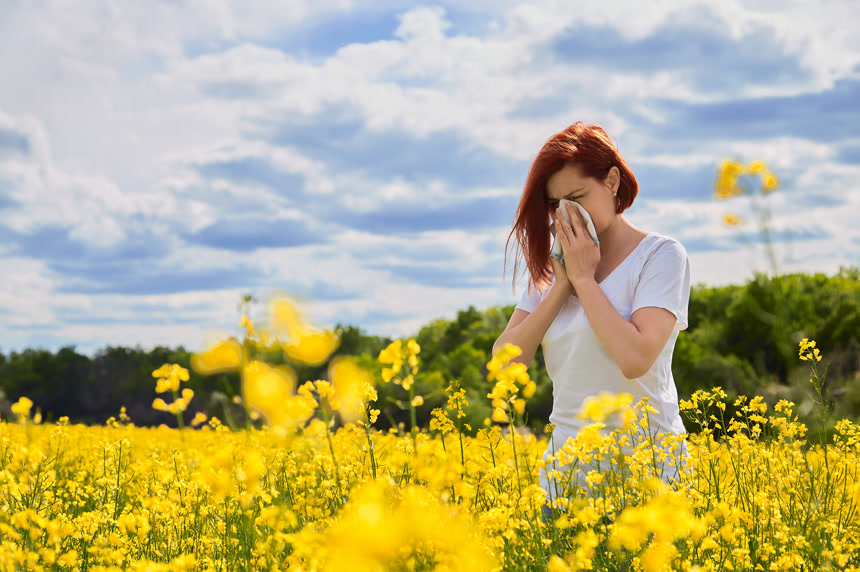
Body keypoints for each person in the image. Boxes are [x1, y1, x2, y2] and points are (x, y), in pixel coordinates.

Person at [493, 122, 691, 504]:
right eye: (555, 205)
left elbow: (635, 359)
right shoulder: (552, 272)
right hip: (566, 483)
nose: (566, 213)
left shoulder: (661, 256)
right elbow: (505, 365)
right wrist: (563, 285)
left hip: (650, 482)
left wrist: (585, 280)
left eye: (577, 197)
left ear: (612, 181)